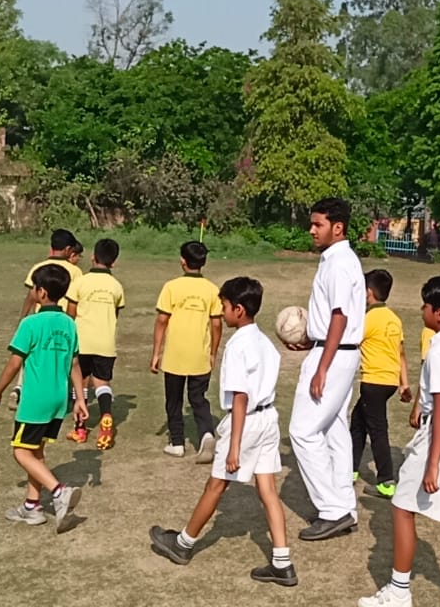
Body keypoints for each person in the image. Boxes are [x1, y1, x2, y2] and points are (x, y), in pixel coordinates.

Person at [148, 277, 297, 587]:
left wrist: (234, 447)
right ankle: (282, 562)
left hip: (246, 421)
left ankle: (183, 544)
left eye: (225, 306)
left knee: (215, 485)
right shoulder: (265, 342)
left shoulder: (237, 346)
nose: (222, 311)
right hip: (268, 418)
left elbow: (240, 397)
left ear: (238, 310)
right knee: (267, 489)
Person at [358, 276, 440, 607]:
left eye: (426, 306)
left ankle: (399, 592)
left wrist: (433, 463)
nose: (421, 310)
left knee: (402, 508)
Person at [285, 198, 366, 541]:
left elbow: (340, 317)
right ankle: (344, 505)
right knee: (334, 429)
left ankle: (333, 511)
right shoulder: (336, 259)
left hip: (334, 356)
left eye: (318, 224)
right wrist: (313, 343)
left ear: (338, 227)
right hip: (338, 351)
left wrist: (322, 365)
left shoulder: (339, 263)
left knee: (302, 432)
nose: (311, 230)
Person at [0, 263, 87, 533]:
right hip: (58, 400)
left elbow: (14, 363)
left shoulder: (30, 323)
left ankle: (58, 491)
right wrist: (80, 398)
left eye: (33, 288)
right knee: (36, 451)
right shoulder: (69, 324)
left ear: (41, 292)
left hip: (35, 400)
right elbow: (75, 364)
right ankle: (32, 507)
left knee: (20, 451)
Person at [151, 241, 223, 460]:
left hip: (175, 355)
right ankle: (207, 434)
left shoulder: (171, 287)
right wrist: (213, 352)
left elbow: (162, 321)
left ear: (183, 261)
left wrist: (156, 353)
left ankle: (177, 443)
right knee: (198, 398)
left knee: (174, 400)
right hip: (199, 355)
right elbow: (217, 324)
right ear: (204, 262)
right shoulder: (212, 289)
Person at [352, 268, 413, 498]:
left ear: (368, 292)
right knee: (358, 423)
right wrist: (404, 384)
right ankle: (349, 470)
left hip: (373, 382)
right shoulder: (394, 320)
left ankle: (386, 482)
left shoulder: (367, 319)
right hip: (389, 382)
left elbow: (349, 343)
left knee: (377, 431)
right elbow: (401, 353)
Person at [65, 238, 125, 449]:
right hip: (105, 343)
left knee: (80, 383)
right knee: (102, 383)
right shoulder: (116, 286)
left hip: (82, 341)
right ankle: (106, 416)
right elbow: (115, 314)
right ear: (114, 262)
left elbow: (70, 313)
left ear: (92, 257)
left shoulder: (80, 282)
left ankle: (80, 429)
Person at [12, 229, 82, 405]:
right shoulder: (75, 271)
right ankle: (61, 391)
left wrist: (23, 317)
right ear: (68, 249)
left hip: (40, 317)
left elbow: (30, 296)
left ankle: (19, 387)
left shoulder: (38, 267)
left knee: (31, 353)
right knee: (60, 356)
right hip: (63, 320)